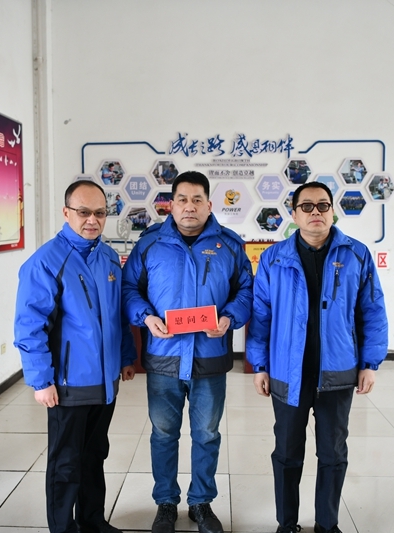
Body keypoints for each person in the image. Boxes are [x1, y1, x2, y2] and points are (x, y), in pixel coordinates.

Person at [246, 182, 388, 533]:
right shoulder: (273, 259)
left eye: (323, 205)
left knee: (333, 454)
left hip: (337, 373)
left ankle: (327, 524)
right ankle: (286, 524)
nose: (315, 213)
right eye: (306, 206)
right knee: (286, 454)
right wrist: (259, 365)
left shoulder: (356, 255)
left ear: (332, 212)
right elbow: (261, 316)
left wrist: (369, 363)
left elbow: (372, 311)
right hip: (287, 373)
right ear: (294, 214)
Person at [122, 171, 253, 533]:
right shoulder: (150, 245)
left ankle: (201, 502)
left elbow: (246, 291)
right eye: (182, 199)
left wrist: (229, 318)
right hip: (163, 358)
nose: (189, 206)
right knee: (163, 434)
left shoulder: (229, 246)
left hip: (209, 357)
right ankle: (166, 502)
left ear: (209, 205)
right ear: (171, 204)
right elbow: (130, 289)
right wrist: (145, 317)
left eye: (197, 200)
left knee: (207, 434)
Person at [14, 180, 137, 533]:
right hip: (68, 384)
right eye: (83, 212)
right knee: (65, 462)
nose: (92, 220)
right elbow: (29, 327)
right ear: (66, 212)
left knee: (95, 455)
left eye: (100, 213)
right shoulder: (46, 262)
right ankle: (62, 528)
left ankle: (92, 521)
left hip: (105, 381)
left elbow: (116, 316)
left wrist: (126, 357)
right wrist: (41, 381)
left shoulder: (108, 257)